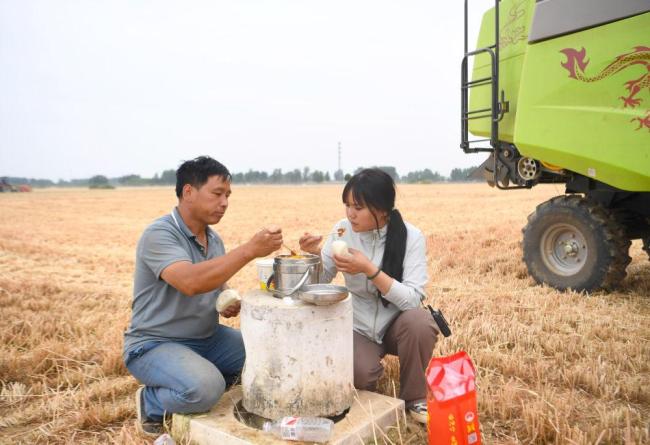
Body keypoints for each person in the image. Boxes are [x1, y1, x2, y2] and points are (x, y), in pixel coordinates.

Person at [123, 156, 282, 435]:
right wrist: (248, 250)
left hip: (207, 338)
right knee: (206, 388)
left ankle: (195, 377)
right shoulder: (160, 234)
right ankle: (151, 403)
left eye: (228, 195)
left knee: (267, 359)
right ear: (188, 192)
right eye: (217, 193)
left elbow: (213, 279)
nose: (224, 203)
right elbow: (190, 282)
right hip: (156, 343)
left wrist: (225, 297)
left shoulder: (213, 239)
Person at [299, 168, 438, 424]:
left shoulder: (411, 237)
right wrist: (313, 256)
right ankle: (368, 364)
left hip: (396, 324)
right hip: (358, 324)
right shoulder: (342, 231)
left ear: (382, 209)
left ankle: (415, 398)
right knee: (362, 376)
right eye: (347, 205)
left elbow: (412, 300)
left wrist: (369, 270)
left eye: (358, 207)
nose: (350, 213)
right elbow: (321, 281)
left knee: (420, 322)